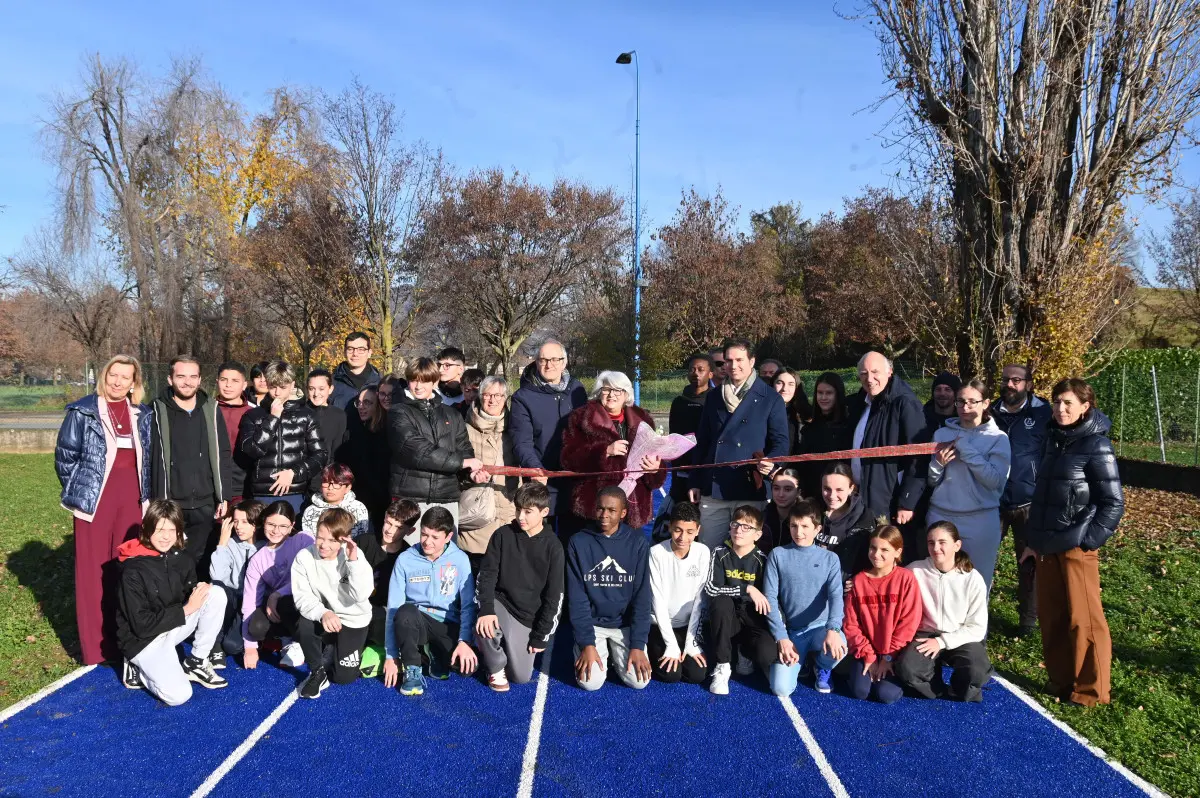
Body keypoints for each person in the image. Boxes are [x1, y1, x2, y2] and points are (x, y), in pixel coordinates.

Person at [1027, 378, 1123, 707]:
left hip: (1075, 547)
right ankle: (1061, 680)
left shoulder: (1097, 445)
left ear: (1085, 407)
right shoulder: (1051, 441)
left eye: (1068, 403)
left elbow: (1113, 502)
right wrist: (1033, 539)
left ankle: (1091, 691)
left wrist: (1088, 540)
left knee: (1085, 622)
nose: (1060, 409)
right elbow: (1041, 494)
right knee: (1052, 617)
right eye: (1056, 402)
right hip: (1046, 545)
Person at [56, 354, 153, 666]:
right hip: (95, 504)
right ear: (104, 376)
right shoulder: (83, 411)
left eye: (125, 377)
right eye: (113, 374)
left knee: (126, 570)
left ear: (133, 383)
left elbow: (149, 460)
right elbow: (65, 458)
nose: (118, 381)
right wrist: (83, 490)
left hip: (133, 501)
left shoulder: (143, 414)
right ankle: (96, 648)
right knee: (92, 573)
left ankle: (124, 640)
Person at [116, 500, 228, 702]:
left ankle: (196, 662)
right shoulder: (132, 570)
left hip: (170, 626)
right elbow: (141, 625)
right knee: (179, 696)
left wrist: (199, 591)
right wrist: (187, 610)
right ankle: (138, 667)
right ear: (146, 529)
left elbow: (191, 596)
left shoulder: (181, 558)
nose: (166, 536)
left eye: (171, 529)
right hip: (143, 640)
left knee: (215, 594)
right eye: (159, 529)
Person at [689, 338, 790, 549]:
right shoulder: (714, 397)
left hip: (749, 488)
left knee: (747, 553)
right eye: (728, 360)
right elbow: (703, 441)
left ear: (752, 361)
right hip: (714, 489)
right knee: (709, 550)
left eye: (739, 360)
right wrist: (695, 480)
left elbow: (780, 442)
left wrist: (771, 463)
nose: (733, 366)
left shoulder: (771, 398)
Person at [475, 482, 566, 691]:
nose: (521, 517)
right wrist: (486, 610)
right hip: (502, 603)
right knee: (484, 623)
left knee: (521, 677)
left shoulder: (554, 547)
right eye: (518, 510)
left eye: (528, 511)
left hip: (527, 616)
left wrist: (541, 635)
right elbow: (486, 576)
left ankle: (497, 646)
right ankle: (495, 666)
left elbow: (555, 596)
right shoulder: (502, 535)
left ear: (544, 512)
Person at [149, 355, 232, 577]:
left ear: (200, 379)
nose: (187, 382)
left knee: (202, 562)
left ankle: (199, 606)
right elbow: (149, 458)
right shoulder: (156, 411)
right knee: (171, 561)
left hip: (205, 503)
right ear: (170, 379)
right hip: (172, 502)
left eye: (193, 376)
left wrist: (223, 496)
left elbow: (223, 453)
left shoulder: (211, 409)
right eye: (181, 376)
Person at [382, 507, 478, 697]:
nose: (427, 542)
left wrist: (464, 641)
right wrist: (391, 655)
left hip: (447, 623)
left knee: (466, 668)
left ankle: (433, 651)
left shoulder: (460, 560)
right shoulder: (405, 559)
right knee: (404, 612)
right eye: (424, 534)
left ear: (448, 536)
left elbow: (468, 606)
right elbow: (393, 609)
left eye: (435, 537)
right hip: (416, 620)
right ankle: (412, 668)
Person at [925, 380, 1011, 589]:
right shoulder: (942, 435)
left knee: (977, 583)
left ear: (986, 403)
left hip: (980, 519)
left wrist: (966, 448)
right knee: (940, 581)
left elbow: (994, 481)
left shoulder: (998, 438)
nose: (966, 408)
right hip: (941, 515)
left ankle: (976, 623)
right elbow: (932, 481)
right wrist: (937, 464)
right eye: (961, 402)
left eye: (973, 402)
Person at [566, 487, 652, 692]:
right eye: (600, 508)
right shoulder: (578, 542)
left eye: (611, 510)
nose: (604, 515)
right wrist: (587, 643)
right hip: (593, 625)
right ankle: (586, 648)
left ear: (623, 513)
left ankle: (615, 653)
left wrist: (638, 644)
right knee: (591, 683)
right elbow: (577, 598)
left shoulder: (637, 542)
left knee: (639, 682)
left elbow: (642, 595)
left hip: (624, 626)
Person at [561, 370, 666, 532]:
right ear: (599, 392)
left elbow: (657, 463)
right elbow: (568, 458)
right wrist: (605, 452)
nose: (612, 395)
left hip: (633, 508)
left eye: (618, 390)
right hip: (595, 508)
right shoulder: (581, 418)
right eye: (606, 389)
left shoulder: (643, 420)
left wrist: (656, 469)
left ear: (626, 395)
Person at [898, 521, 991, 702]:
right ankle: (937, 688)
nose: (936, 548)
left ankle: (960, 689)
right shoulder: (915, 570)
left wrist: (942, 642)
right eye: (931, 543)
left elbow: (977, 628)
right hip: (924, 633)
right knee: (907, 671)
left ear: (957, 545)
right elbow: (888, 584)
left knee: (976, 671)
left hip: (959, 635)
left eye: (942, 542)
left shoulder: (972, 579)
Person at [991, 363, 1052, 636]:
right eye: (1006, 380)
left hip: (1029, 502)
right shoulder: (988, 413)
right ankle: (977, 615)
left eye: (1016, 380)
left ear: (1028, 384)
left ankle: (1027, 621)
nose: (1010, 385)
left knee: (1029, 564)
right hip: (992, 502)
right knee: (983, 561)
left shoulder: (1044, 413)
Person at [388, 357, 486, 528]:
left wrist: (470, 474)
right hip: (410, 499)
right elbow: (417, 450)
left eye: (425, 381)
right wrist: (461, 462)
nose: (418, 386)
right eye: (413, 380)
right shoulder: (399, 411)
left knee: (445, 552)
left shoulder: (452, 414)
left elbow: (464, 450)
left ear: (434, 381)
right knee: (411, 552)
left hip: (446, 499)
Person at [764, 500, 848, 696]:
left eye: (805, 526)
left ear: (817, 528)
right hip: (792, 633)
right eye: (794, 525)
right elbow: (770, 598)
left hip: (821, 629)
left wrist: (834, 628)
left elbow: (836, 596)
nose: (799, 532)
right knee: (780, 689)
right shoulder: (778, 555)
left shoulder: (830, 559)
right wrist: (781, 638)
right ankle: (802, 662)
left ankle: (821, 664)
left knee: (839, 646)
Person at [290, 507, 375, 698]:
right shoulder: (304, 557)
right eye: (320, 538)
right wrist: (323, 613)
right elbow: (303, 597)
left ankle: (348, 647)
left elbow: (361, 594)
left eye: (332, 540)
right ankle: (317, 672)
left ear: (345, 538)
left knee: (343, 678)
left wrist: (353, 561)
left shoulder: (354, 555)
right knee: (303, 623)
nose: (324, 545)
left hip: (354, 619)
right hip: (327, 617)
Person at [509, 339, 588, 531]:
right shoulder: (523, 398)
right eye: (543, 360)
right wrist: (535, 468)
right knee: (543, 545)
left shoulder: (577, 391)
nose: (549, 364)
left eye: (554, 359)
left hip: (574, 483)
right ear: (536, 363)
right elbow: (522, 442)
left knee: (574, 543)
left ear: (564, 362)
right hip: (541, 485)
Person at [847, 352, 926, 539]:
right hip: (860, 496)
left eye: (875, 372)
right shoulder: (861, 402)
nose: (870, 379)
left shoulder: (905, 403)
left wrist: (907, 501)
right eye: (864, 373)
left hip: (889, 499)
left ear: (889, 372)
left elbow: (919, 456)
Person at [843, 525, 922, 704]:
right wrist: (868, 654)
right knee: (860, 691)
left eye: (884, 549)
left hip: (895, 652)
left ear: (897, 551)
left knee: (886, 695)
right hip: (867, 650)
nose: (876, 554)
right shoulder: (858, 581)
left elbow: (908, 624)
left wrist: (888, 657)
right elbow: (850, 624)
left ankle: (899, 678)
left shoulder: (906, 579)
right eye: (873, 548)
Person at [705, 505, 776, 695]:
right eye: (735, 525)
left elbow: (769, 598)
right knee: (720, 602)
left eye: (746, 527)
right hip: (728, 618)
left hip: (752, 619)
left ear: (758, 535)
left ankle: (745, 650)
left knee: (768, 657)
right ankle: (722, 666)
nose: (738, 530)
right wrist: (747, 588)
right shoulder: (720, 553)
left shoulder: (763, 560)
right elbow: (711, 589)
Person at [239, 359, 326, 513]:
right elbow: (251, 451)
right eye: (273, 387)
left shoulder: (307, 416)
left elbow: (320, 455)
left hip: (295, 491)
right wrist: (272, 419)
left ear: (292, 385)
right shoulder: (253, 416)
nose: (277, 392)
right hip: (262, 491)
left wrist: (294, 473)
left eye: (283, 387)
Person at [241, 501, 314, 670]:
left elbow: (309, 577)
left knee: (288, 602)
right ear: (264, 522)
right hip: (279, 607)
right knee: (256, 627)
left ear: (292, 526)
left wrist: (277, 594)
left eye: (283, 526)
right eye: (271, 524)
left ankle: (303, 640)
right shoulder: (257, 559)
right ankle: (285, 637)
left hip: (304, 600)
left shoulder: (303, 540)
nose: (276, 531)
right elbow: (250, 601)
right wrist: (250, 647)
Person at [458, 376, 519, 569]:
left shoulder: (515, 430)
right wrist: (470, 476)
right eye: (487, 395)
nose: (493, 400)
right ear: (480, 397)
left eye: (498, 395)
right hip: (478, 515)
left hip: (509, 511)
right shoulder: (464, 429)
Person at [647, 501, 710, 685]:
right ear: (669, 527)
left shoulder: (703, 552)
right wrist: (671, 645)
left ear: (698, 530)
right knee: (671, 675)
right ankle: (652, 648)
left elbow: (700, 600)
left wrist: (691, 641)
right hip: (659, 625)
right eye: (678, 530)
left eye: (690, 532)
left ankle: (685, 646)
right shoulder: (656, 553)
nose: (683, 537)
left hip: (687, 625)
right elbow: (657, 601)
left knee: (697, 674)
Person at [357, 498, 418, 647]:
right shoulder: (363, 542)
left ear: (410, 531)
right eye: (389, 523)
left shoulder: (408, 557)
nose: (390, 530)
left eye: (398, 527)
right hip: (355, 604)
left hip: (383, 611)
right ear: (384, 517)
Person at [210, 499, 264, 663]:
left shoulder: (265, 546)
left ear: (257, 523)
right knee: (218, 591)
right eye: (235, 521)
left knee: (232, 646)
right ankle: (214, 644)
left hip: (255, 602)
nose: (238, 526)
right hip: (233, 599)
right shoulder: (231, 543)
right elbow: (217, 577)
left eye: (245, 522)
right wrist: (222, 543)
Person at [796, 372, 854, 500]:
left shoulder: (848, 426)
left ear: (837, 394)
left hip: (839, 495)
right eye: (820, 392)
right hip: (813, 494)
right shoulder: (809, 428)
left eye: (829, 393)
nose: (823, 397)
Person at [817, 462, 873, 585]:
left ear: (851, 488)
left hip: (845, 592)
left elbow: (874, 561)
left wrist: (860, 579)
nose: (832, 496)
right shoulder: (812, 512)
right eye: (827, 489)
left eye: (839, 490)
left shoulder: (863, 519)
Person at [343, 385, 390, 529]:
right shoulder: (354, 431)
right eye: (359, 402)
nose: (361, 407)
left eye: (368, 403)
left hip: (380, 501)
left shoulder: (385, 432)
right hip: (359, 498)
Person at [668, 354, 714, 501]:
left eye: (701, 370)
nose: (696, 373)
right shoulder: (678, 402)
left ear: (710, 374)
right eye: (692, 369)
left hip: (705, 465)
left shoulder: (715, 401)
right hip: (682, 465)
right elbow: (673, 436)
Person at [215, 361, 253, 504]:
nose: (228, 385)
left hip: (242, 486)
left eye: (235, 381)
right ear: (217, 382)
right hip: (212, 486)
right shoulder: (206, 410)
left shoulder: (252, 413)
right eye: (224, 380)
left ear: (244, 384)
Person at [305, 367, 348, 493]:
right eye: (312, 389)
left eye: (321, 389)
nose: (316, 393)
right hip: (300, 478)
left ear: (330, 389)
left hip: (326, 480)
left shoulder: (339, 415)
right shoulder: (299, 412)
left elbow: (337, 451)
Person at [301, 463, 372, 538]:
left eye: (336, 483)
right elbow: (309, 541)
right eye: (326, 482)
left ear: (348, 487)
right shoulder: (311, 511)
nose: (330, 488)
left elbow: (362, 539)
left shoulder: (358, 508)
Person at [331, 332, 382, 410]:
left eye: (361, 349)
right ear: (344, 352)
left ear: (369, 353)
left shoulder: (380, 383)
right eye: (350, 349)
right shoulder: (331, 383)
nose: (355, 354)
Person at [760, 467, 802, 554]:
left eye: (787, 489)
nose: (781, 494)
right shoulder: (761, 518)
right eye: (776, 488)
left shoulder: (806, 520)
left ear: (798, 492)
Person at [773, 368, 812, 454]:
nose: (784, 388)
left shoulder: (805, 415)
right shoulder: (761, 412)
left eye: (791, 384)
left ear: (796, 388)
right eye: (780, 383)